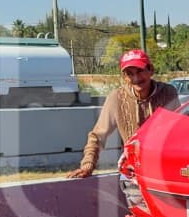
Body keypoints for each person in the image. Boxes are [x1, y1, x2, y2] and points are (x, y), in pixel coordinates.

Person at [67, 48, 180, 178]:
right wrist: (87, 165)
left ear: (151, 70)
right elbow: (97, 136)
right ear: (124, 77)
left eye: (140, 71)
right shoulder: (117, 98)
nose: (136, 78)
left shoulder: (168, 93)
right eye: (130, 74)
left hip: (164, 168)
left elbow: (179, 130)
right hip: (133, 171)